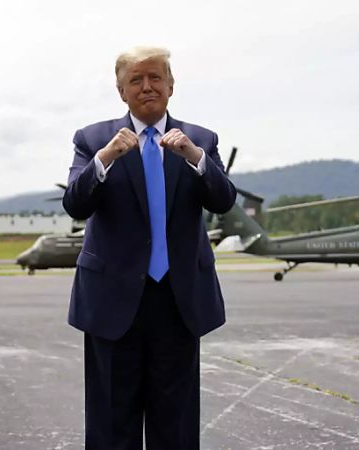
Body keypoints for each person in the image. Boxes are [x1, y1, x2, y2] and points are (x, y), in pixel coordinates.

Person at [62, 46, 236, 449]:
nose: (147, 86)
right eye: (135, 80)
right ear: (121, 92)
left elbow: (224, 202)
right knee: (110, 424)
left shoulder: (201, 140)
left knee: (174, 426)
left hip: (178, 300)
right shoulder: (93, 139)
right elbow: (76, 205)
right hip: (112, 300)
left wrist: (195, 158)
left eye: (155, 77)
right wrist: (105, 159)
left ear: (171, 86)